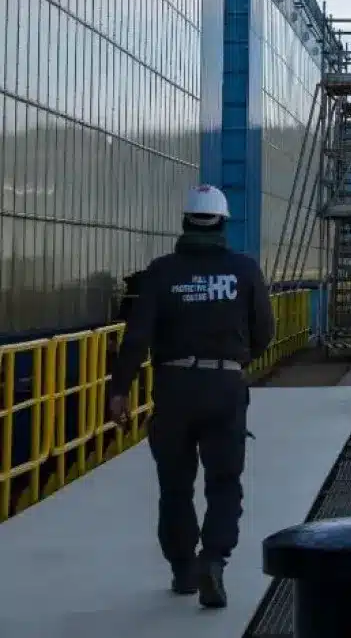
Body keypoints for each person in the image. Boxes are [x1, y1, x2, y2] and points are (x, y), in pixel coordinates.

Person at [106, 185, 273, 609]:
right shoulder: (244, 270)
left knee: (175, 485)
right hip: (224, 387)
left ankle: (182, 569)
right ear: (223, 223)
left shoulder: (161, 272)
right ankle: (213, 560)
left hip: (175, 388)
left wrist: (119, 391)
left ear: (185, 222)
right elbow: (265, 333)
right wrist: (235, 362)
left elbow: (137, 336)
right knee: (223, 482)